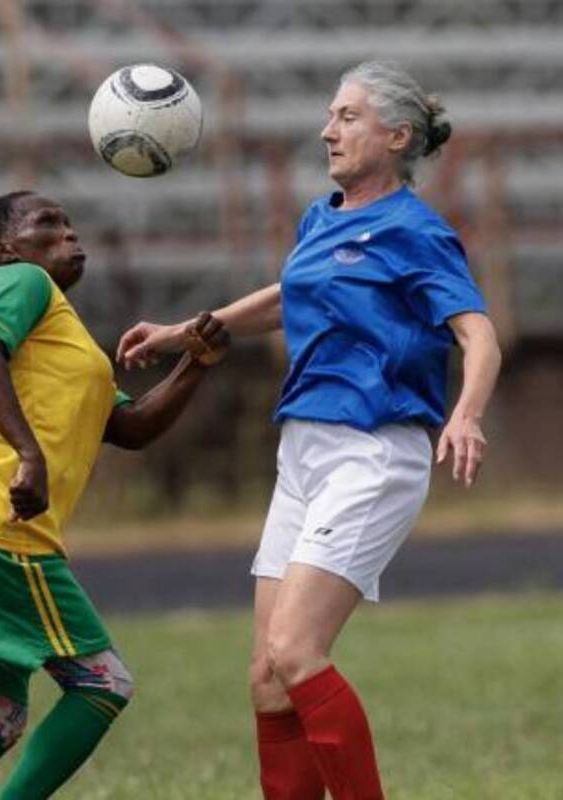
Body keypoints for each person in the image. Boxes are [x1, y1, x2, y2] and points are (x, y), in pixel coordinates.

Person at [116, 61, 502, 799]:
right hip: (302, 451)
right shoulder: (322, 218)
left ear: (398, 136)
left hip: (372, 454)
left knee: (296, 650)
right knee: (267, 677)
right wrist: (186, 330)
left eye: (348, 117)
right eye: (330, 115)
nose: (328, 130)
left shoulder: (417, 232)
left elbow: (478, 334)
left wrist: (467, 412)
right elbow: (285, 295)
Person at [0, 189, 228, 800]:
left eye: (71, 223)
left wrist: (197, 363)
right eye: (48, 223)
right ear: (5, 250)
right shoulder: (21, 280)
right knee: (103, 683)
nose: (69, 233)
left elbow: (130, 427)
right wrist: (29, 455)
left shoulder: (61, 338)